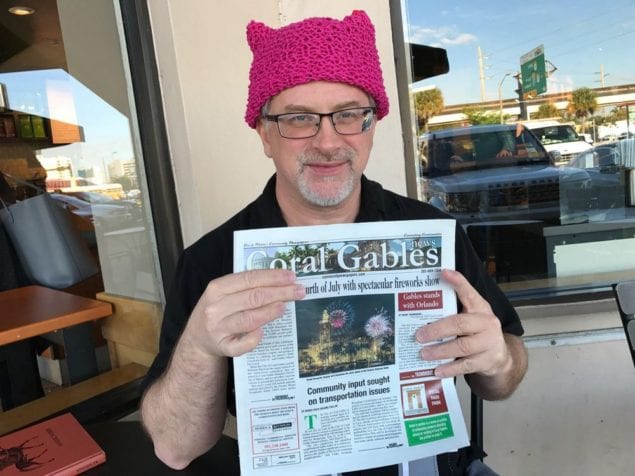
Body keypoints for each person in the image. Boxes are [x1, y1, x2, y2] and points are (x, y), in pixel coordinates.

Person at [140, 10, 528, 475]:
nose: (327, 141)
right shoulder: (212, 262)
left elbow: (503, 381)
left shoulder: (432, 233)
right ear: (264, 133)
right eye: (299, 119)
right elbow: (174, 448)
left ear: (371, 125)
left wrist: (498, 359)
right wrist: (200, 347)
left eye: (348, 115)